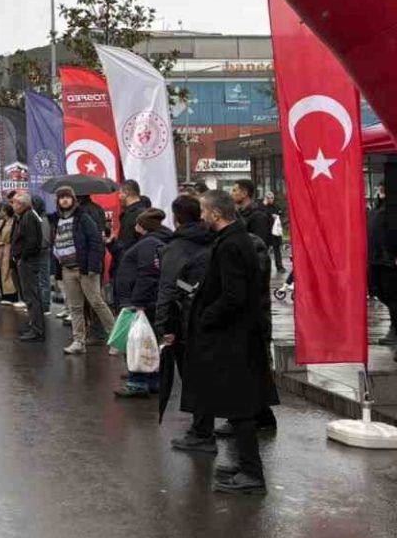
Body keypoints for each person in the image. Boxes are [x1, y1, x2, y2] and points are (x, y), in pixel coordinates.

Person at [183, 190, 277, 495]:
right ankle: (246, 466)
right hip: (236, 334)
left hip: (233, 337)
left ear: (215, 213)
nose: (201, 216)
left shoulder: (231, 244)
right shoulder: (234, 239)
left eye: (203, 211)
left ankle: (251, 473)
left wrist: (206, 317)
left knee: (239, 407)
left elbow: (234, 295)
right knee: (238, 406)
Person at [161, 195, 219, 453]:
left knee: (193, 378)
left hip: (185, 319)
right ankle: (202, 427)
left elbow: (169, 288)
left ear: (176, 218)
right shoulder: (214, 239)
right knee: (205, 376)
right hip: (211, 315)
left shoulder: (177, 247)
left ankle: (203, 432)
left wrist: (165, 326)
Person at [113, 208, 171, 398]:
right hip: (148, 299)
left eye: (137, 223)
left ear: (142, 226)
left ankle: (137, 382)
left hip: (141, 301)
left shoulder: (149, 243)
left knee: (137, 341)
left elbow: (147, 274)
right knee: (148, 340)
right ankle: (151, 379)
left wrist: (137, 301)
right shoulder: (154, 242)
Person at [50, 186, 111, 355]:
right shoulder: (56, 220)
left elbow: (95, 242)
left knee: (97, 302)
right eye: (61, 197)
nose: (64, 200)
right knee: (75, 307)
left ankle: (116, 338)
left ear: (73, 199)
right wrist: (57, 270)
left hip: (84, 268)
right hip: (67, 269)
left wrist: (92, 266)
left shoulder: (83, 218)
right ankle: (78, 341)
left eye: (67, 197)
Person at [368, 192, 397, 346]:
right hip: (376, 257)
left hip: (391, 258)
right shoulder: (377, 206)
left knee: (392, 294)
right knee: (375, 289)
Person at [8, 191, 47, 341]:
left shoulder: (29, 217)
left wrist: (22, 258)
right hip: (24, 260)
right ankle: (34, 325)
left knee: (31, 296)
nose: (13, 205)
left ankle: (37, 329)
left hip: (28, 262)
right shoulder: (23, 217)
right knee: (30, 295)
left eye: (15, 202)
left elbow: (32, 241)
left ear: (22, 204)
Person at [108, 180, 151, 278]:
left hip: (130, 271)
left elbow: (125, 248)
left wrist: (111, 242)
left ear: (126, 194)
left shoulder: (131, 216)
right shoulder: (146, 212)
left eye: (120, 193)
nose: (119, 197)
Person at [232, 179, 275, 262]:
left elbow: (259, 246)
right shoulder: (238, 214)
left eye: (234, 190)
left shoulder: (259, 216)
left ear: (244, 194)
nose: (232, 194)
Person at [0, 202, 17, 305]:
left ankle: (11, 295)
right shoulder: (0, 222)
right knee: (0, 272)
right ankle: (3, 293)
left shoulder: (13, 222)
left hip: (8, 249)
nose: (0, 212)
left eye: (2, 210)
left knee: (7, 271)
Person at [263, 191, 286, 274]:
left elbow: (281, 216)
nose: (270, 199)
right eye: (268, 198)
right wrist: (264, 206)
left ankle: (279, 266)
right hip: (266, 231)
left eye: (271, 198)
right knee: (264, 249)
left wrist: (278, 217)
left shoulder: (276, 206)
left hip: (275, 232)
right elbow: (261, 215)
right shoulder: (263, 207)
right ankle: (264, 267)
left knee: (277, 249)